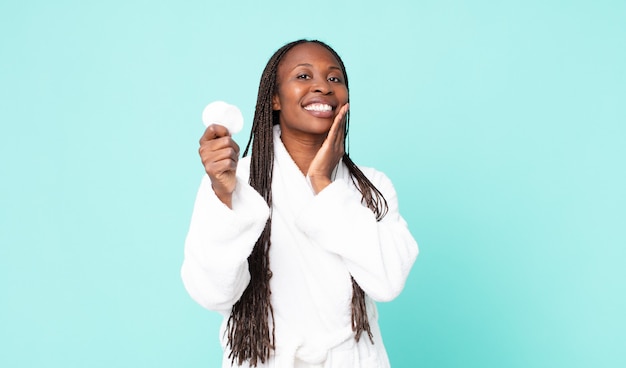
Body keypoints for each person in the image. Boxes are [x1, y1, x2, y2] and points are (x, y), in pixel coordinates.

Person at [181, 39, 418, 368]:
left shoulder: (371, 186)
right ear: (275, 98)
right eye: (303, 76)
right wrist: (222, 194)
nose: (322, 86)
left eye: (334, 79)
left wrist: (324, 183)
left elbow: (389, 282)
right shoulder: (235, 179)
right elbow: (212, 293)